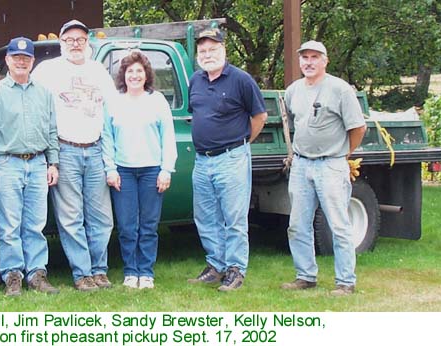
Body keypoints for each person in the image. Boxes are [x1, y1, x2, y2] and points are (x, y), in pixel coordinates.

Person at [32, 19, 117, 291]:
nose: (75, 44)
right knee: (71, 217)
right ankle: (82, 273)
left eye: (80, 39)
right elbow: (31, 103)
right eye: (69, 40)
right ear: (61, 42)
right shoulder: (47, 70)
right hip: (64, 149)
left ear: (88, 43)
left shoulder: (99, 71)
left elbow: (113, 111)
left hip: (95, 148)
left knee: (102, 217)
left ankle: (100, 269)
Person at [281, 40, 367, 296]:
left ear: (325, 61)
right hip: (301, 164)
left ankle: (345, 282)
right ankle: (305, 276)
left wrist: (342, 156)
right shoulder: (293, 90)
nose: (309, 62)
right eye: (304, 57)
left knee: (339, 225)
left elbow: (358, 128)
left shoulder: (340, 89)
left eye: (314, 57)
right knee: (297, 224)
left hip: (331, 165)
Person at [187, 28, 267, 291]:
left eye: (213, 49)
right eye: (203, 51)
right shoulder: (196, 81)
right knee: (206, 217)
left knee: (234, 218)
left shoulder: (241, 80)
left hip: (232, 158)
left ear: (224, 50)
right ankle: (215, 266)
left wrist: (241, 144)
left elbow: (259, 117)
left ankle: (235, 269)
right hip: (202, 161)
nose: (208, 54)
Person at [0, 37, 60, 296]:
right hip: (6, 164)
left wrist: (53, 162)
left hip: (38, 163)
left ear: (32, 62)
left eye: (26, 59)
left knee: (36, 224)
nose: (21, 62)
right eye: (16, 58)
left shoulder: (44, 93)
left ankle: (37, 274)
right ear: (8, 60)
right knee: (9, 225)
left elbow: (51, 130)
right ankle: (13, 275)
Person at [102, 51, 177, 289]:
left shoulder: (157, 101)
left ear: (146, 75)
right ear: (123, 75)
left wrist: (166, 170)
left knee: (148, 226)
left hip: (151, 171)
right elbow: (107, 137)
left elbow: (168, 137)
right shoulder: (113, 101)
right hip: (123, 171)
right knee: (126, 226)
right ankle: (130, 271)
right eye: (130, 71)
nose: (134, 75)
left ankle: (146, 272)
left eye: (139, 71)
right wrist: (110, 168)